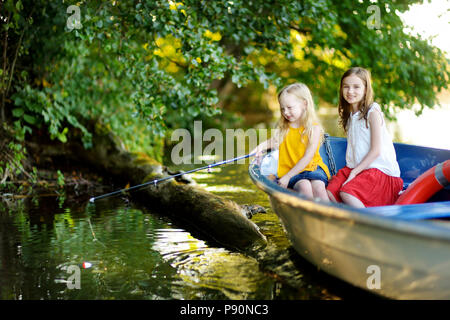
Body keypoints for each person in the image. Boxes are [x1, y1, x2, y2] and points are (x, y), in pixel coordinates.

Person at [326, 67, 403, 207]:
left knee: (347, 193)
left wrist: (355, 172)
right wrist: (353, 171)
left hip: (380, 171)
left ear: (366, 89)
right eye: (346, 87)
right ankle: (344, 220)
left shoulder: (372, 112)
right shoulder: (349, 115)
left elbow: (376, 151)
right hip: (358, 168)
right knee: (330, 192)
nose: (350, 91)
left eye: (356, 87)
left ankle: (368, 224)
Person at [252, 83, 330, 201]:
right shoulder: (284, 127)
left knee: (319, 188)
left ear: (304, 104)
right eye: (282, 108)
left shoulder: (313, 128)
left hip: (313, 169)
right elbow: (274, 141)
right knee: (304, 186)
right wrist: (260, 147)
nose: (285, 112)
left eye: (289, 107)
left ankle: (329, 216)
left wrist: (288, 177)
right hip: (291, 170)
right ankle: (308, 215)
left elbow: (308, 157)